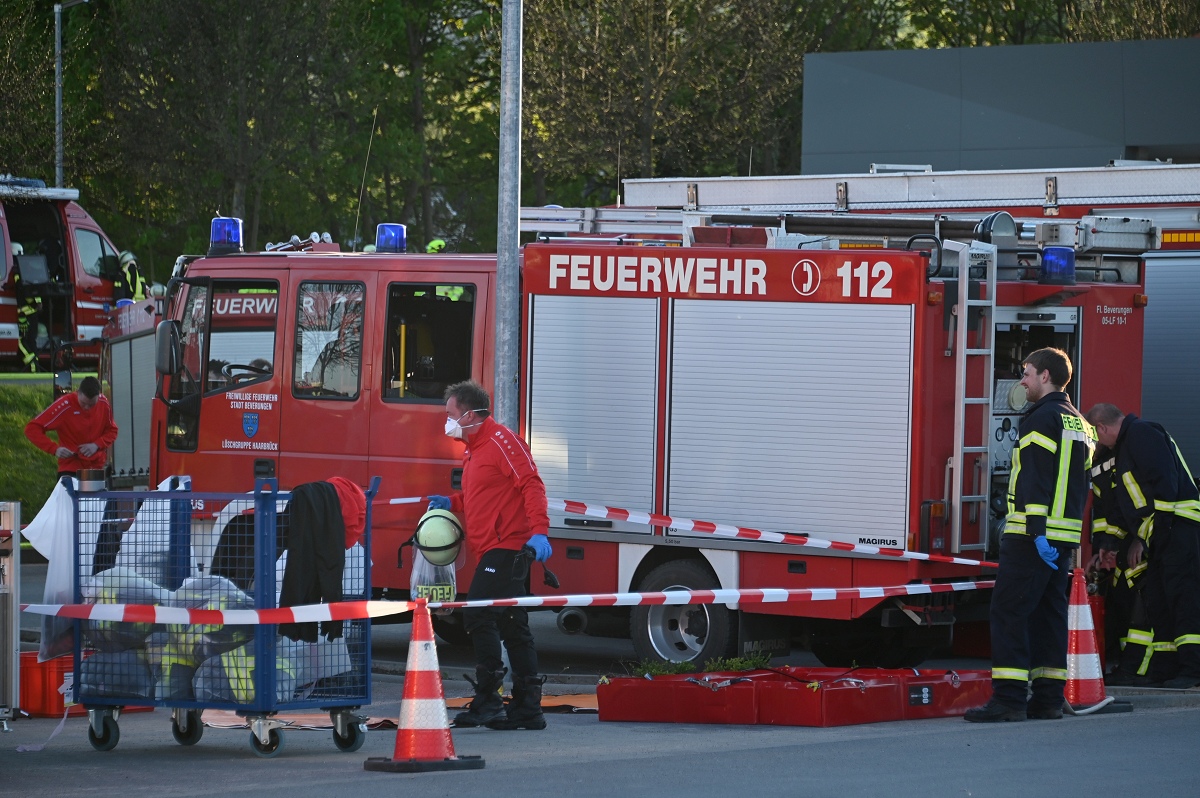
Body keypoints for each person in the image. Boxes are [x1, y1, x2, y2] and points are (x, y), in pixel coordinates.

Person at [965, 348, 1094, 722]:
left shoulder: (1039, 419)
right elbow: (1081, 485)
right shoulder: (1081, 423)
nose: (1022, 381)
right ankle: (1047, 700)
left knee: (1009, 612)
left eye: (1027, 373)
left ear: (1045, 376)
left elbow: (1036, 479)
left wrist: (1036, 531)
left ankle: (1008, 700)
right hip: (1064, 538)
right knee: (1048, 616)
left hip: (1031, 536)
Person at [427, 379, 552, 731]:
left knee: (478, 613)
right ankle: (527, 707)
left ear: (468, 415)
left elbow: (531, 484)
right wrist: (451, 503)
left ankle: (489, 701)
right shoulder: (473, 450)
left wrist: (540, 531)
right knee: (512, 624)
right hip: (493, 548)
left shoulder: (501, 441)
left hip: (508, 546)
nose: (446, 420)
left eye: (450, 413)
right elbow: (482, 496)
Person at [1084, 403, 1200, 689]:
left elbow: (1164, 481)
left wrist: (1160, 530)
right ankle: (1166, 669)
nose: (1097, 444)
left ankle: (1193, 669)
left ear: (1102, 428)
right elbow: (1123, 506)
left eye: (1096, 437)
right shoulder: (1124, 448)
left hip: (1178, 528)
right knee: (1160, 601)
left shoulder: (1141, 433)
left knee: (1182, 599)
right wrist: (1114, 543)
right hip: (1161, 533)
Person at [1088, 444, 1156, 685]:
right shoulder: (1099, 467)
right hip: (1124, 547)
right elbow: (1104, 516)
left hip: (1143, 543)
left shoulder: (1127, 459)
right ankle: (1130, 666)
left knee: (1141, 606)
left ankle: (1139, 668)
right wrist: (1102, 550)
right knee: (1122, 603)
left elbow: (1148, 505)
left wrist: (1141, 540)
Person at [25, 376, 119, 478]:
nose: (87, 407)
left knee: (93, 488)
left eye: (92, 405)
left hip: (96, 467)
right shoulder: (65, 405)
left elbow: (112, 431)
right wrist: (54, 449)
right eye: (83, 403)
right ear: (78, 392)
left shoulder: (104, 403)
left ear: (99, 396)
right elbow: (32, 428)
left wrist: (97, 445)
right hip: (71, 467)